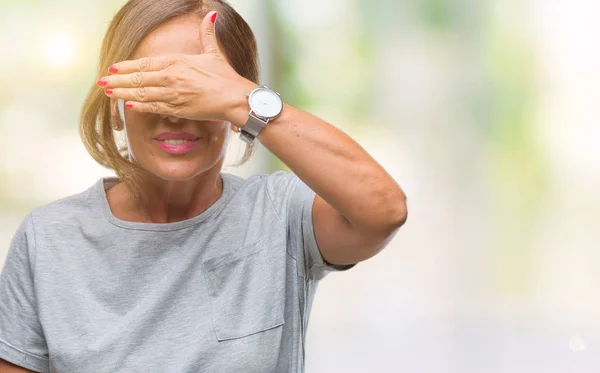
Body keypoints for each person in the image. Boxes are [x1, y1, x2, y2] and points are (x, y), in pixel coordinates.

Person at [0, 0, 407, 372]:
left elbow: (384, 210)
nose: (177, 113)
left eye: (198, 89)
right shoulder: (49, 239)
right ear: (116, 102)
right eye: (158, 85)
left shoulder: (279, 215)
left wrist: (242, 99)